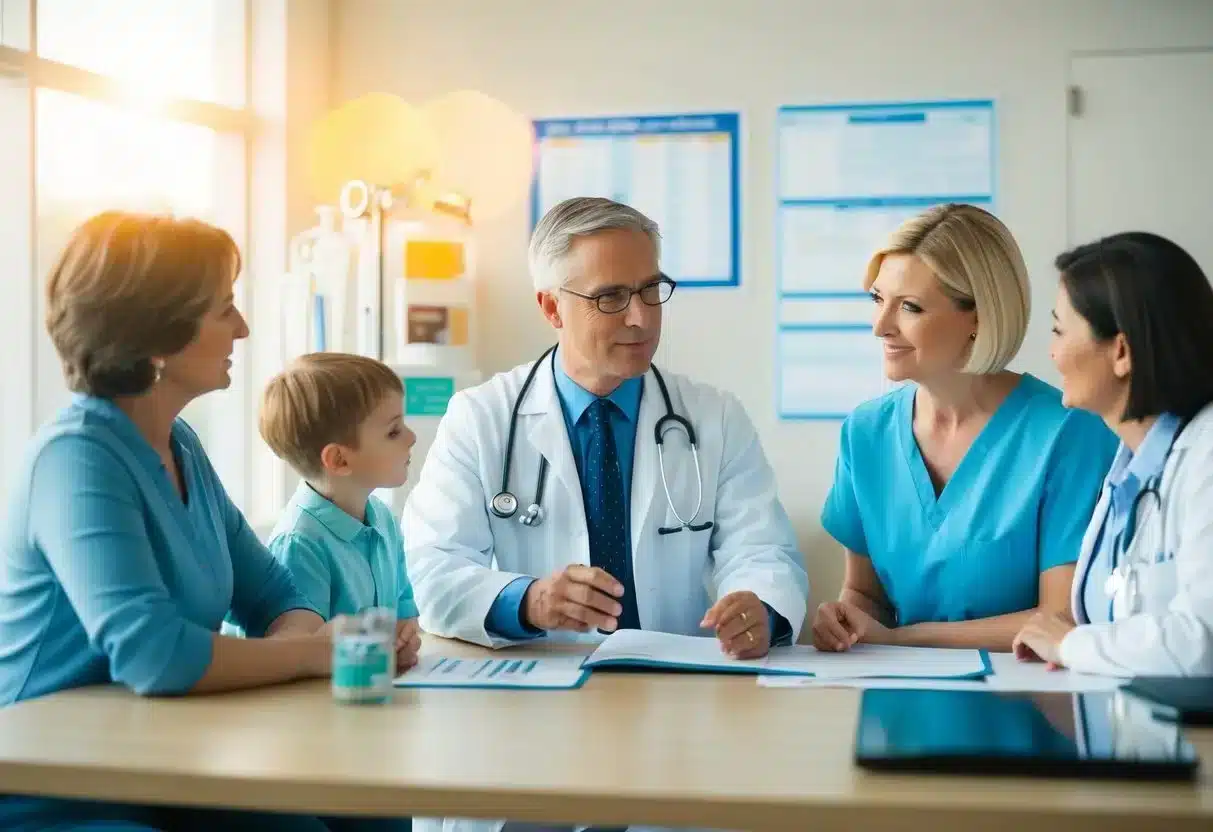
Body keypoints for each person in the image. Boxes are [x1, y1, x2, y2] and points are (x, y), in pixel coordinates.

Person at [0, 212, 411, 831]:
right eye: (224, 310)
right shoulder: (76, 459)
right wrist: (314, 655)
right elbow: (154, 655)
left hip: (166, 760)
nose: (242, 328)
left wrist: (310, 641)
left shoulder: (180, 443)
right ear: (157, 336)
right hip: (61, 785)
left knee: (373, 815)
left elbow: (276, 594)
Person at [403, 197, 808, 656]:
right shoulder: (480, 419)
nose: (641, 317)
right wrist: (529, 602)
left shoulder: (713, 417)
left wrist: (759, 607)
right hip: (540, 688)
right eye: (610, 297)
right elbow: (430, 569)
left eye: (651, 289)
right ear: (552, 308)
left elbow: (763, 551)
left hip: (677, 685)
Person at [812, 203, 1117, 653]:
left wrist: (902, 638)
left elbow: (1059, 618)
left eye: (910, 307)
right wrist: (845, 621)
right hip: (901, 706)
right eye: (878, 300)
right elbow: (865, 596)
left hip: (1026, 702)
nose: (880, 327)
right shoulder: (866, 433)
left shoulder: (1068, 433)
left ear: (978, 317)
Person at [1013, 232, 1213, 676]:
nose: (1051, 351)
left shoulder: (1206, 457)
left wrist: (1072, 645)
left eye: (1059, 330)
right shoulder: (1130, 468)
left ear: (1121, 352)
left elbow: (1202, 642)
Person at [259, 352, 422, 667]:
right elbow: (303, 655)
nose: (412, 437)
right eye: (393, 431)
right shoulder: (300, 544)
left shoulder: (384, 521)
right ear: (339, 460)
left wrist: (404, 636)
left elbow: (404, 612)